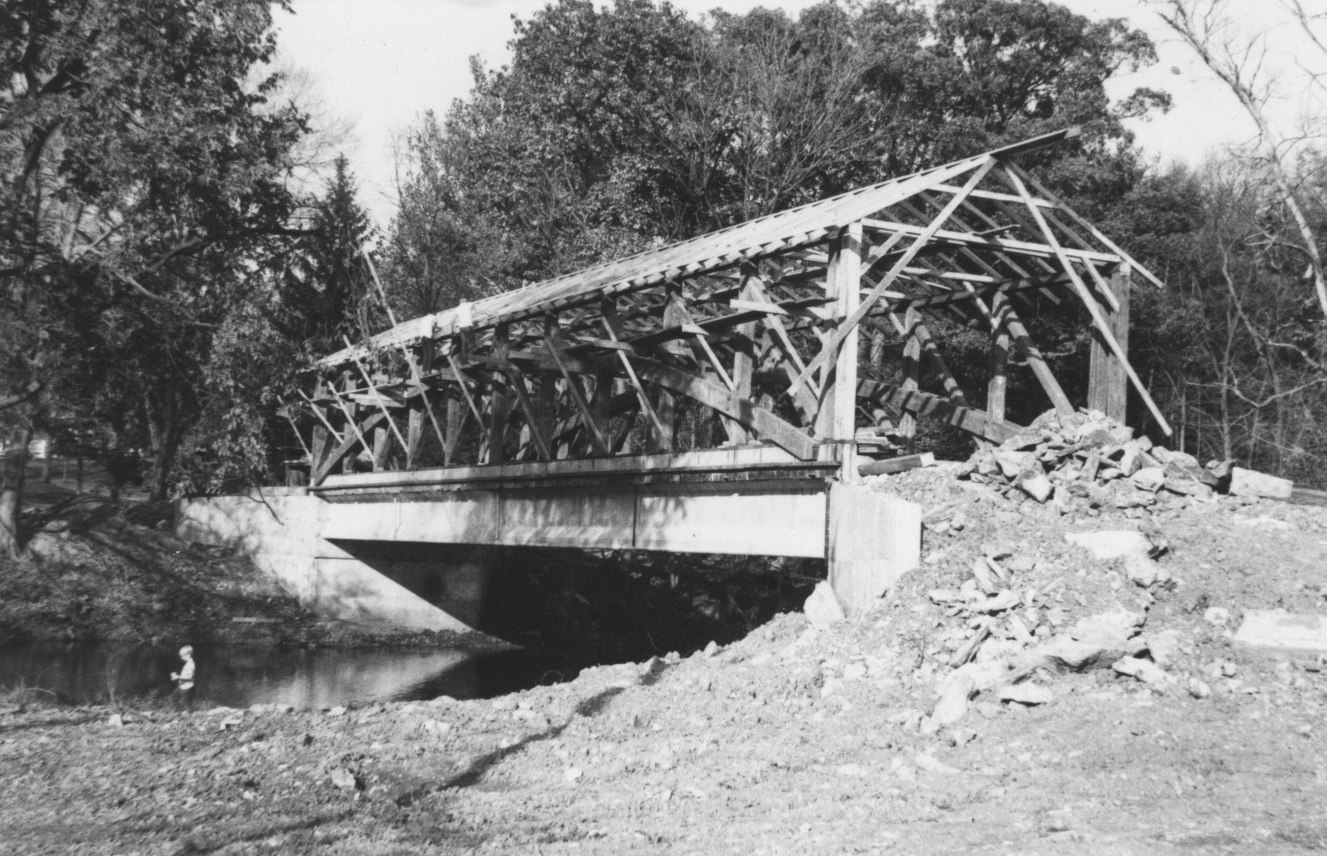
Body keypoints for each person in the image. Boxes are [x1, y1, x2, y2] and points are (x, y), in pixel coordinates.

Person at [170, 645, 196, 711]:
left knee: (186, 703)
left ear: (188, 655)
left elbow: (189, 677)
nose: (181, 658)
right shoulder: (188, 663)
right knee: (173, 697)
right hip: (182, 686)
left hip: (187, 687)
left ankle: (189, 715)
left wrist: (177, 676)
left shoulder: (190, 664)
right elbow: (185, 675)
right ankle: (180, 712)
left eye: (182, 656)